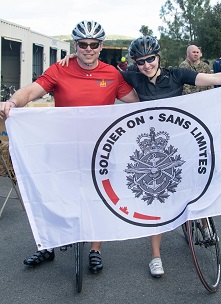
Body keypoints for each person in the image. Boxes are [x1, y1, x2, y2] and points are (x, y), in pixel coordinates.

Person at [60, 35, 221, 278]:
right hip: (153, 149)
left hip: (182, 141)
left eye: (150, 59)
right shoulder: (132, 76)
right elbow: (100, 70)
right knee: (156, 200)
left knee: (200, 180)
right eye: (140, 61)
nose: (146, 65)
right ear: (135, 63)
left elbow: (214, 78)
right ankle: (156, 256)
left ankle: (203, 220)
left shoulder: (177, 75)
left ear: (158, 57)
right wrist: (77, 56)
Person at [0, 20, 139, 273]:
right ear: (76, 45)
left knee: (99, 198)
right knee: (52, 196)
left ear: (101, 46)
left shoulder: (112, 73)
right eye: (83, 44)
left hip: (100, 150)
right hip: (63, 146)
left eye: (93, 44)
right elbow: (31, 92)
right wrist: (11, 102)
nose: (88, 49)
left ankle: (95, 250)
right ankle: (47, 246)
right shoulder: (59, 69)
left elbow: (138, 103)